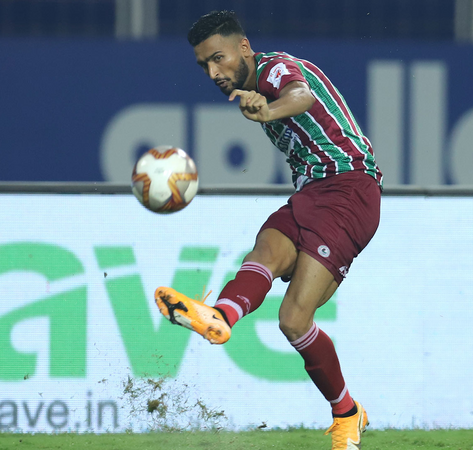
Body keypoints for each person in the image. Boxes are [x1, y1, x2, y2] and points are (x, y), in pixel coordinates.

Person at [154, 10, 382, 450]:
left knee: (293, 319)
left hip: (350, 188)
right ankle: (220, 317)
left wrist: (269, 111)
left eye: (218, 58)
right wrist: (263, 109)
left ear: (244, 48)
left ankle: (347, 415)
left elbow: (301, 95)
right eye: (204, 65)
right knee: (267, 254)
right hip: (315, 191)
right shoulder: (254, 90)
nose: (214, 73)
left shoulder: (275, 69)